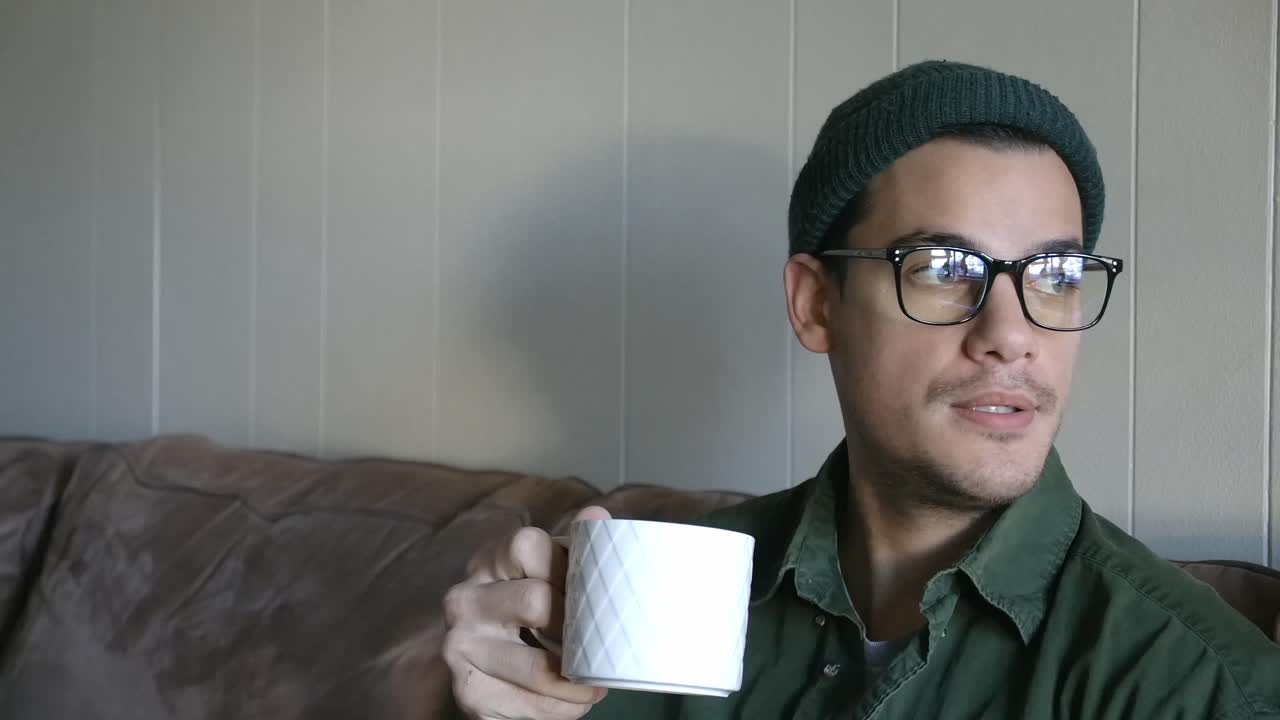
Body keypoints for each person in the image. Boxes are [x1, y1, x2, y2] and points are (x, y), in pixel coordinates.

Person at [441, 60, 1280, 719]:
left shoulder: (1196, 684)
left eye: (1055, 274)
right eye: (946, 268)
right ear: (816, 304)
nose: (1013, 334)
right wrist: (493, 691)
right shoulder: (672, 598)